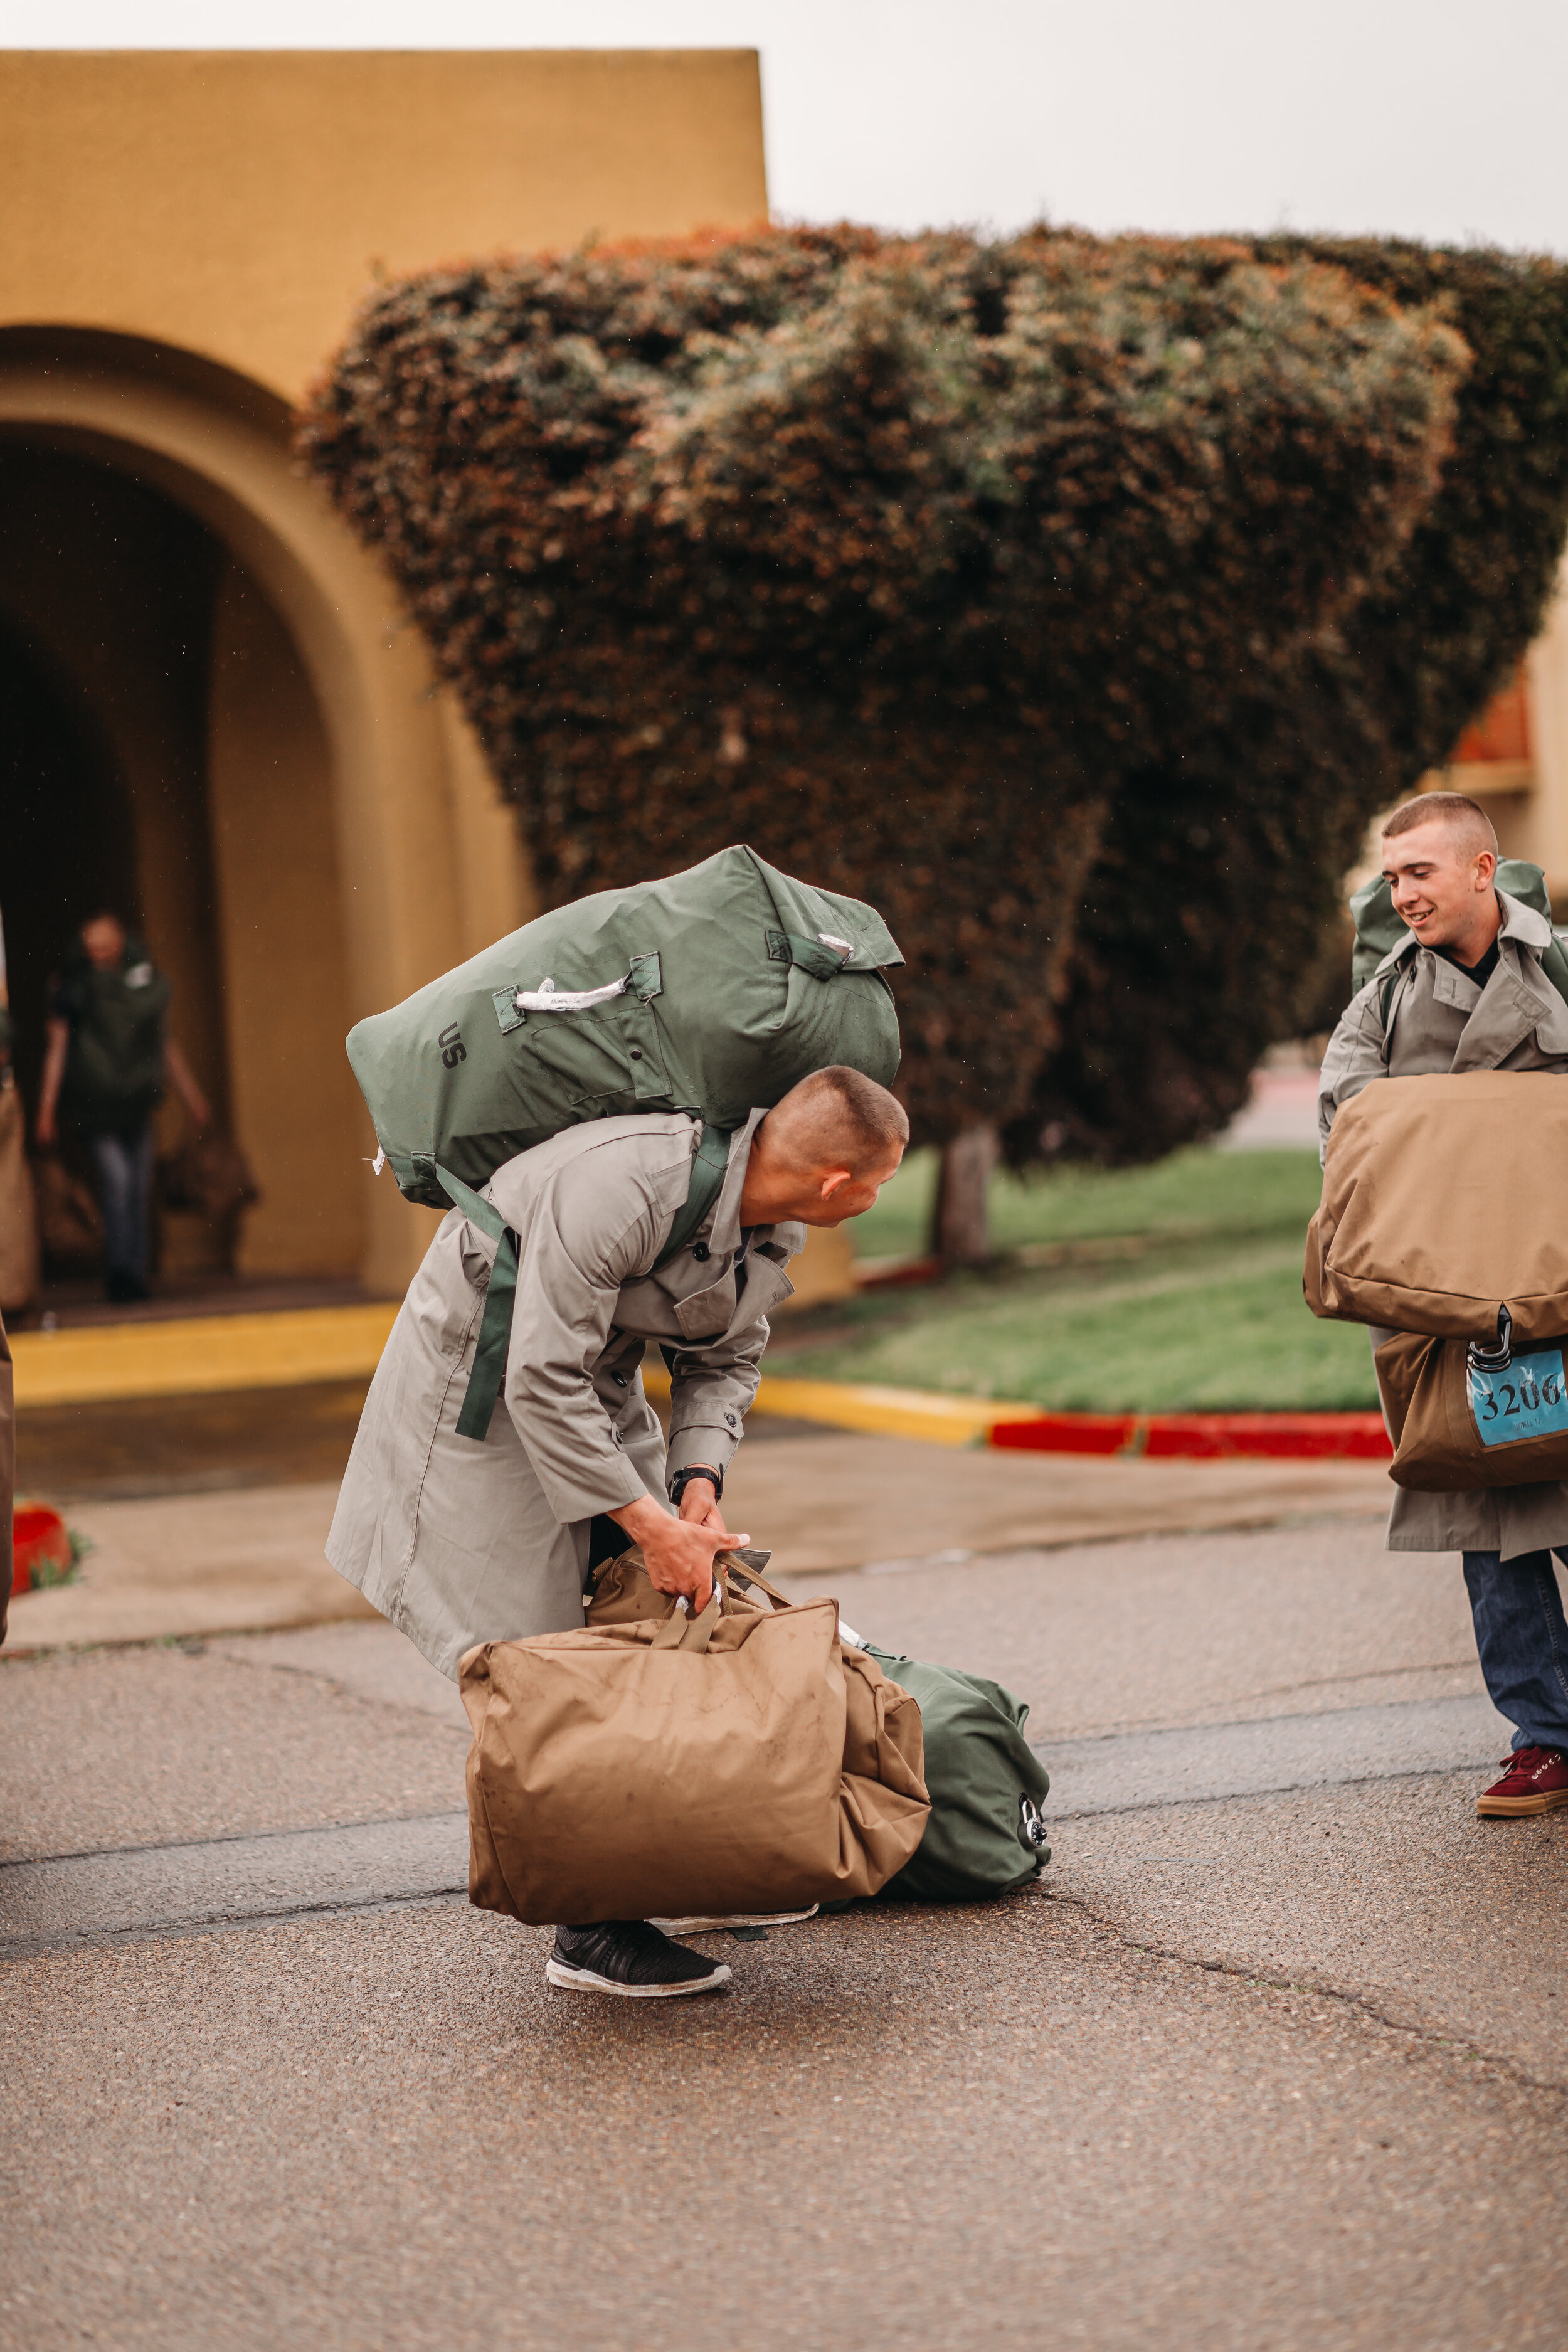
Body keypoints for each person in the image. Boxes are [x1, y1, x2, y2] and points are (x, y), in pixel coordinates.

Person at [329, 1064, 909, 1997]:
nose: (882, 1197)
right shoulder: (622, 1184)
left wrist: (695, 1488)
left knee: (647, 1599)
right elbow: (538, 1379)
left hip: (588, 1387)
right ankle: (587, 1928)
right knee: (536, 1646)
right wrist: (646, 1520)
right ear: (839, 1180)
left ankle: (663, 1850)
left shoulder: (770, 1221)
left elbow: (727, 1355)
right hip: (478, 1391)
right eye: (882, 1181)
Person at [1320, 790, 1568, 1820]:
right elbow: (1346, 1131)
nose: (1402, 892)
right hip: (1450, 1307)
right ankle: (1544, 1739)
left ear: (1482, 869)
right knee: (1484, 1513)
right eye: (1391, 877)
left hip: (1561, 1283)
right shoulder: (1381, 1001)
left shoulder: (1557, 968)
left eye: (1420, 871)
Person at [35, 913, 210, 1304]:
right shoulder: (73, 991)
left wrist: (192, 1097)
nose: (99, 951)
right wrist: (46, 1112)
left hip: (137, 1106)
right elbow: (58, 1051)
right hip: (97, 1110)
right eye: (91, 944)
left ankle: (136, 1270)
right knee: (117, 1186)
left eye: (106, 942)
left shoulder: (143, 992)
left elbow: (165, 1046)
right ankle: (121, 1274)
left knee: (138, 1189)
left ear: (120, 943)